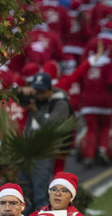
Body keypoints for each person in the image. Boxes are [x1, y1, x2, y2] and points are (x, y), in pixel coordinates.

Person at [19, 72, 73, 207]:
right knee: (24, 198)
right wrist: (21, 91)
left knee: (40, 197)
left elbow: (49, 126)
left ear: (50, 90)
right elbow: (10, 93)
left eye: (41, 91)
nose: (37, 95)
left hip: (43, 155)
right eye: (35, 90)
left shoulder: (60, 103)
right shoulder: (36, 99)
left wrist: (34, 110)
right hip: (26, 153)